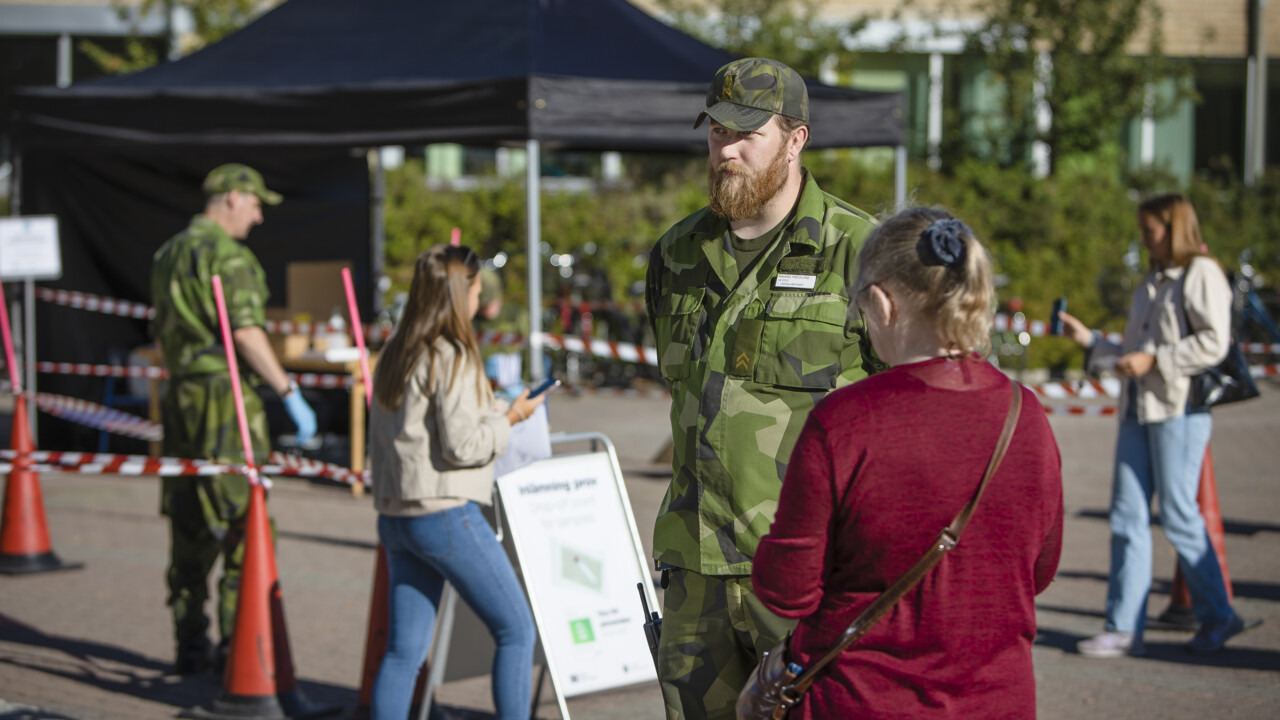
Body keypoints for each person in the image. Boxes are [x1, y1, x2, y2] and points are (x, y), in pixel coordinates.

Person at [751, 208, 1064, 717]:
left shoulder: (845, 420)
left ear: (882, 303)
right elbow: (1040, 569)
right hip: (997, 699)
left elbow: (787, 590)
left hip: (861, 699)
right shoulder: (1024, 413)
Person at [645, 56, 877, 718]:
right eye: (718, 132)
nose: (727, 151)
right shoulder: (676, 255)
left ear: (796, 138)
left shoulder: (860, 252)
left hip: (807, 575)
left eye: (748, 133)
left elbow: (910, 414)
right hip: (696, 576)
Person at [1060, 193, 1255, 657]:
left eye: (1150, 230)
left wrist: (1155, 360)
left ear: (1174, 227)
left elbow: (1215, 342)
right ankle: (1123, 628)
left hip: (1179, 410)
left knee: (1179, 516)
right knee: (1126, 517)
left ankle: (1218, 616)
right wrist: (1091, 342)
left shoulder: (1200, 272)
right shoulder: (1151, 280)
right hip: (1139, 408)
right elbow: (1136, 352)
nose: (1144, 238)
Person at [150, 163, 318, 674]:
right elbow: (246, 333)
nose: (259, 216)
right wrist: (288, 390)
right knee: (244, 522)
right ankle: (237, 644)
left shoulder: (168, 253)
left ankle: (189, 641)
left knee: (188, 522)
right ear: (231, 198)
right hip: (224, 401)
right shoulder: (229, 256)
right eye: (255, 203)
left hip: (179, 397)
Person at [368, 245, 545, 720]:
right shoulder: (454, 353)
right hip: (445, 513)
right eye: (477, 289)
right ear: (461, 291)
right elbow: (463, 446)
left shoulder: (396, 350)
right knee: (516, 630)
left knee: (403, 652)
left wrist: (494, 411)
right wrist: (512, 417)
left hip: (396, 514)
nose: (480, 298)